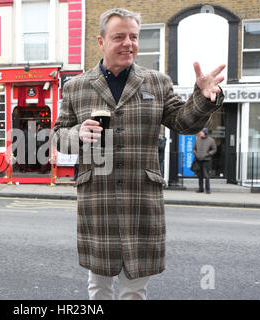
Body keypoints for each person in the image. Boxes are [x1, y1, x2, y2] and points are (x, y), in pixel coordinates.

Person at [53, 8, 225, 300]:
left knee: (135, 288)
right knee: (99, 286)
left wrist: (203, 99)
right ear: (101, 41)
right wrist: (76, 134)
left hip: (141, 197)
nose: (128, 43)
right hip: (98, 197)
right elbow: (58, 136)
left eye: (133, 37)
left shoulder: (157, 82)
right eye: (119, 36)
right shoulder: (76, 87)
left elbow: (183, 122)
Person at [193, 128, 217, 194]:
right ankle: (200, 189)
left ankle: (208, 190)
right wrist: (196, 154)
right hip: (198, 159)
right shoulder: (197, 140)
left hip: (207, 160)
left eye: (201, 132)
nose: (200, 133)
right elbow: (194, 149)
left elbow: (214, 149)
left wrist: (208, 154)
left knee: (206, 175)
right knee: (200, 175)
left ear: (205, 133)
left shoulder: (211, 140)